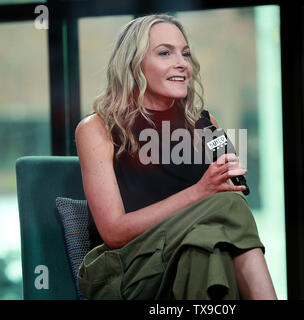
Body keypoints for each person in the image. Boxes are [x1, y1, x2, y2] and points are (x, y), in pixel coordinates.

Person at [75, 14, 277, 300]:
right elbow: (114, 232)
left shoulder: (205, 125)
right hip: (127, 272)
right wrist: (200, 192)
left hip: (190, 257)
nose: (182, 63)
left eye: (185, 54)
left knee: (205, 248)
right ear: (134, 64)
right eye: (165, 53)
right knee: (227, 207)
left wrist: (226, 181)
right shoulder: (97, 128)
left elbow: (236, 192)